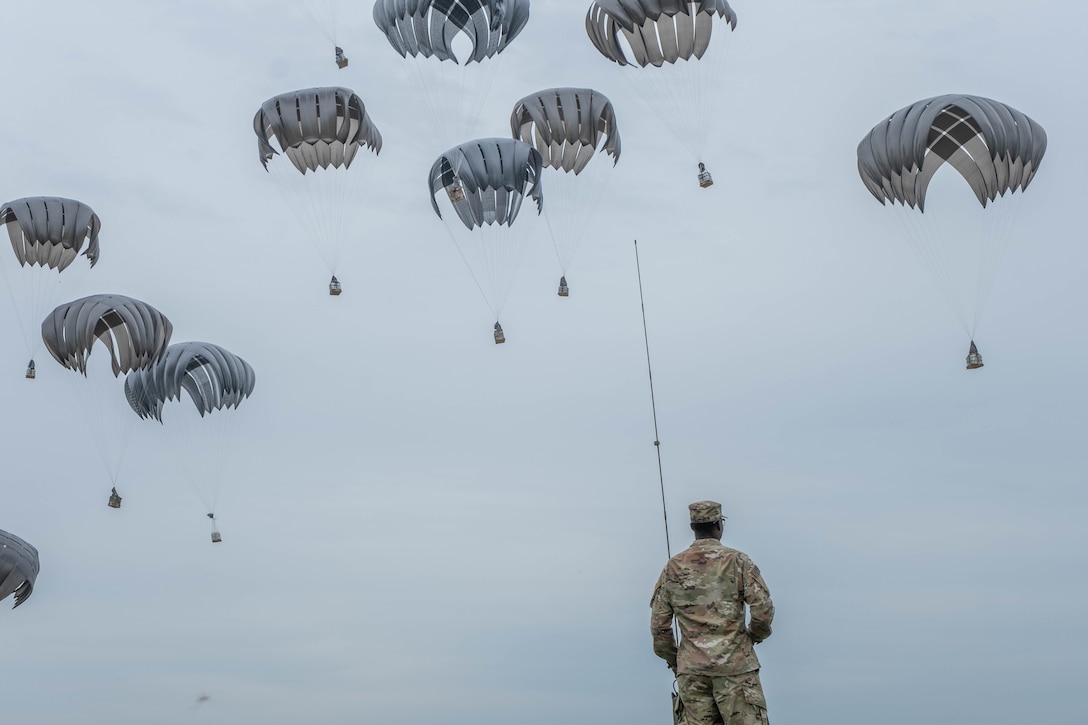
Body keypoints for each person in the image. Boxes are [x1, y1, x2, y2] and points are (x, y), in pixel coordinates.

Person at [650, 500, 774, 725]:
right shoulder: (738, 561)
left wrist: (676, 660)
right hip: (736, 670)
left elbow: (659, 628)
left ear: (692, 528)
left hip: (692, 673)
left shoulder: (672, 567)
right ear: (718, 525)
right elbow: (763, 611)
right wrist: (750, 639)